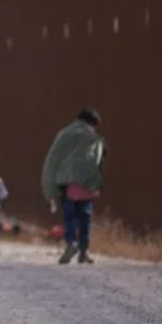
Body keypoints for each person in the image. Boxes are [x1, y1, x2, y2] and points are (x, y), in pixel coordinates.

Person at [41, 108, 106, 265]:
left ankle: (72, 243)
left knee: (70, 218)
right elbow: (97, 162)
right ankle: (84, 251)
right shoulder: (93, 138)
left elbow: (53, 160)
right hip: (87, 188)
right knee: (85, 219)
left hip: (68, 187)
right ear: (92, 123)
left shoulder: (64, 134)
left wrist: (50, 189)